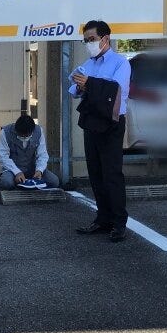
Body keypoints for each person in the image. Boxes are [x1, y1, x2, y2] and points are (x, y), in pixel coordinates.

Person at [69, 20, 131, 242]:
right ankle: (103, 219)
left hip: (112, 123)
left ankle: (119, 223)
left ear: (105, 39)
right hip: (92, 121)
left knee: (112, 174)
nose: (89, 43)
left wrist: (89, 84)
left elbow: (115, 90)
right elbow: (73, 89)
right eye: (86, 40)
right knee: (95, 173)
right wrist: (80, 85)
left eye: (92, 39)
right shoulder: (89, 63)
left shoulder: (120, 63)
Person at [0, 114, 60, 190]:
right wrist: (17, 172)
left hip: (32, 169)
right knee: (7, 182)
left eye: (27, 136)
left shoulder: (38, 131)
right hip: (12, 170)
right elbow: (3, 157)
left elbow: (42, 154)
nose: (24, 138)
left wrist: (39, 170)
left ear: (32, 131)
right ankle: (20, 184)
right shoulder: (5, 132)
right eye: (22, 136)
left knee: (54, 181)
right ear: (16, 130)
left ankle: (26, 184)